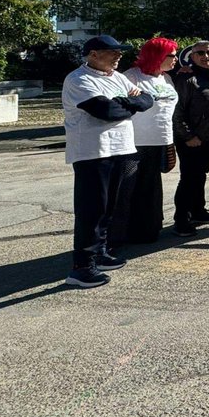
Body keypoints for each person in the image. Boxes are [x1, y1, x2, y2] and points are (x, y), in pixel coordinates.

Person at [62, 35, 154, 288]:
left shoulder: (117, 77)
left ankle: (100, 253)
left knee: (108, 208)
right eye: (112, 52)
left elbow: (148, 99)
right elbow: (107, 111)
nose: (118, 56)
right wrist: (130, 103)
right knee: (91, 211)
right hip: (93, 153)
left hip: (120, 149)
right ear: (93, 54)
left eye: (119, 52)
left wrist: (126, 102)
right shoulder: (79, 79)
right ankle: (82, 267)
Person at [118, 37, 179, 245]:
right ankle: (121, 234)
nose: (175, 59)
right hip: (136, 142)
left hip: (162, 139)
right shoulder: (132, 76)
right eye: (171, 55)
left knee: (151, 187)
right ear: (157, 56)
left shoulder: (166, 78)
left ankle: (149, 229)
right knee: (128, 188)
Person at [172, 40, 209, 236]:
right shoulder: (186, 79)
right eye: (200, 53)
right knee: (188, 178)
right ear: (192, 56)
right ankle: (181, 220)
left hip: (208, 137)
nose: (205, 56)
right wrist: (188, 136)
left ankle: (198, 211)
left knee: (199, 175)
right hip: (190, 139)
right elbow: (176, 112)